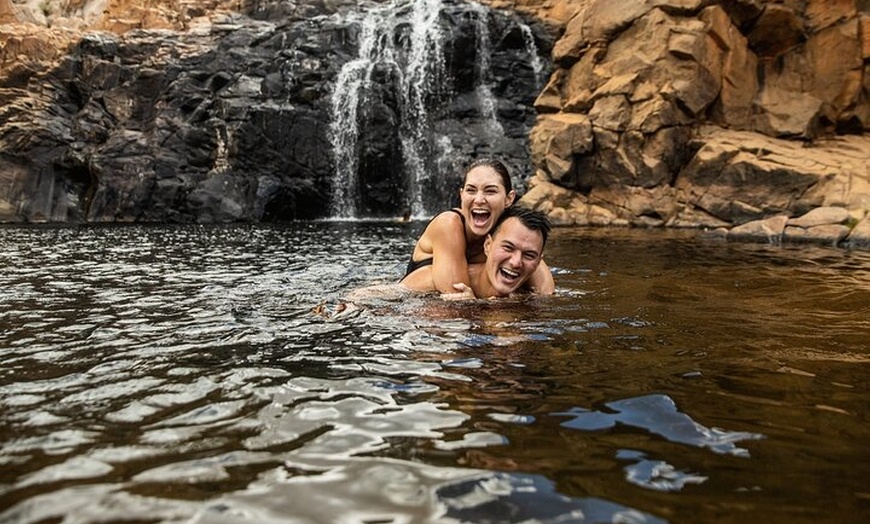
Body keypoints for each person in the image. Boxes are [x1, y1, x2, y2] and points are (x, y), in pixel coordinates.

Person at [400, 158, 554, 298]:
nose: (479, 199)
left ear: (509, 199)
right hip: (416, 305)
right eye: (471, 190)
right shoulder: (448, 224)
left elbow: (546, 292)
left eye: (490, 191)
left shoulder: (513, 233)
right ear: (461, 195)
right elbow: (457, 298)